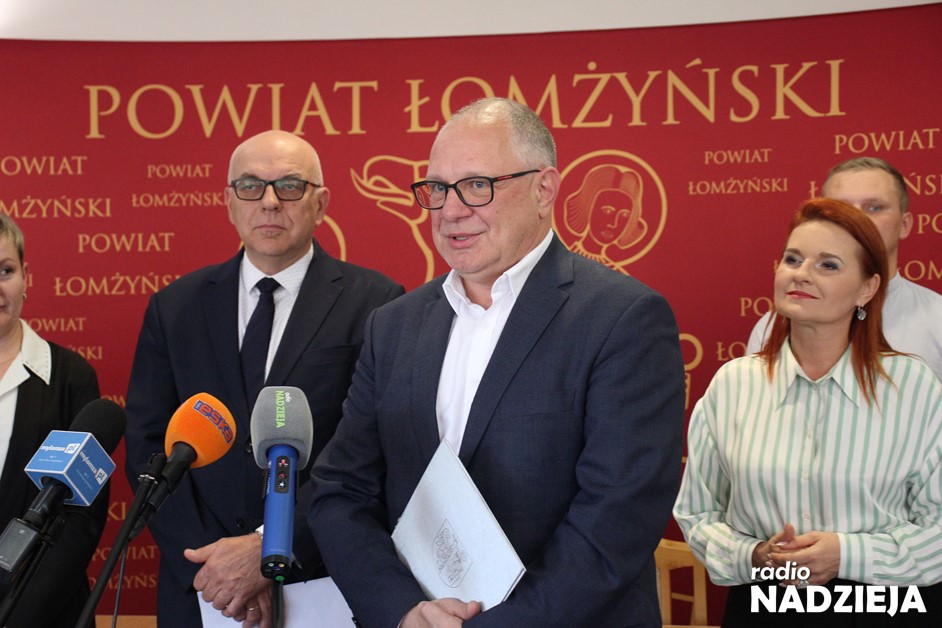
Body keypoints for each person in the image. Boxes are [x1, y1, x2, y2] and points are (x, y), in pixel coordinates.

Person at [309, 97, 686, 627]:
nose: (451, 211)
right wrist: (402, 611)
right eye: (438, 189)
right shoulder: (392, 326)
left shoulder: (622, 318)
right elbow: (341, 491)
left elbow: (617, 518)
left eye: (477, 185)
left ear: (544, 189)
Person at [123, 130, 404, 627]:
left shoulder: (378, 303)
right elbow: (149, 445)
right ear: (230, 203)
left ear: (321, 204)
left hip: (320, 581)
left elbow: (371, 452)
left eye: (290, 186)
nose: (270, 202)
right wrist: (214, 568)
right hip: (202, 588)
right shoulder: (175, 307)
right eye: (251, 186)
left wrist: (267, 550)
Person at [675, 198, 942, 626]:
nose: (801, 273)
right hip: (767, 601)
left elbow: (938, 527)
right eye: (793, 259)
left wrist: (847, 554)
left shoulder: (914, 388)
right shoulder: (733, 385)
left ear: (867, 289)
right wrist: (755, 555)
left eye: (828, 265)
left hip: (883, 604)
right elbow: (697, 513)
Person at [747, 157, 942, 381]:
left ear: (905, 224)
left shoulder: (937, 320)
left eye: (874, 207)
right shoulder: (771, 328)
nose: (855, 220)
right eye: (840, 209)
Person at [0, 214, 103, 627]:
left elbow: (82, 521)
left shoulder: (71, 378)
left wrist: (17, 614)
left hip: (46, 614)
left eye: (5, 271)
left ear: (25, 276)